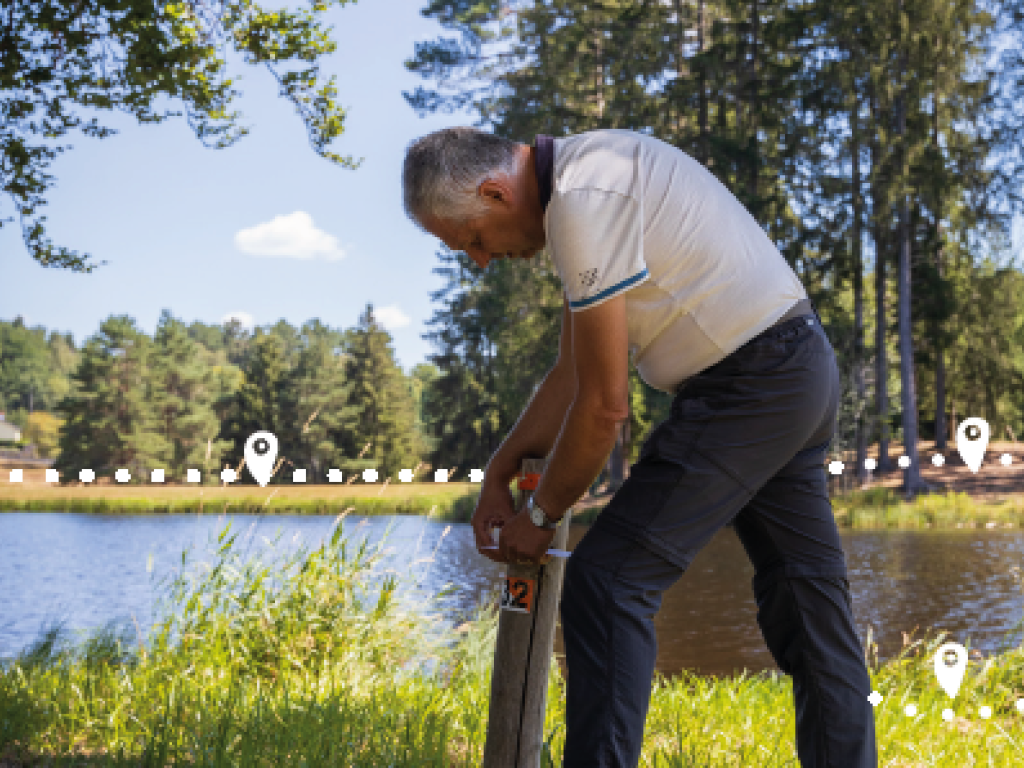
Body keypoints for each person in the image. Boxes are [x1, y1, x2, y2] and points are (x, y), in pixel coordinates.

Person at [401, 127, 878, 768]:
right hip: (798, 370)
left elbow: (602, 409)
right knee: (810, 616)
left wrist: (540, 518)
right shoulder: (584, 180)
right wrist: (500, 471)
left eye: (475, 240)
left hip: (750, 383)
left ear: (493, 191)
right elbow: (572, 374)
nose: (482, 260)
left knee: (607, 584)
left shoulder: (581, 198)